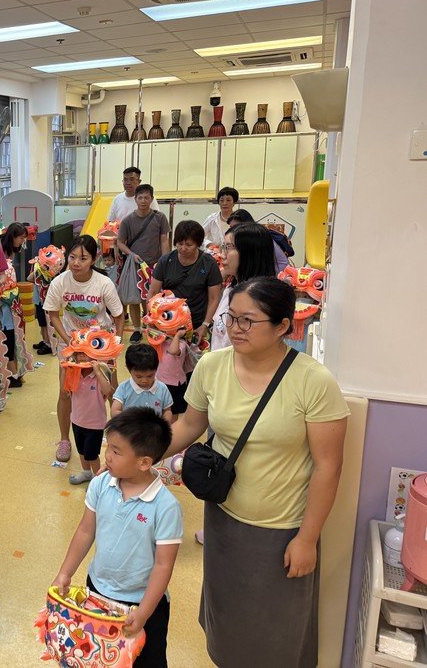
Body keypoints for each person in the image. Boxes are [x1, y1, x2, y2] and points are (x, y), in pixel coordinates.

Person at [166, 277, 349, 667]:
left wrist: (307, 538)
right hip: (224, 518)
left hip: (282, 530)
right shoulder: (212, 366)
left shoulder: (313, 381)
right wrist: (140, 454)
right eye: (231, 317)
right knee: (227, 618)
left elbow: (328, 467)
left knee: (278, 631)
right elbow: (189, 425)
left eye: (248, 320)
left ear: (283, 326)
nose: (235, 328)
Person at [53, 408, 182, 668]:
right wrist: (65, 572)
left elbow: (163, 565)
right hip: (98, 591)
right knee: (97, 656)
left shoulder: (166, 506)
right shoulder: (101, 484)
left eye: (116, 451)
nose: (107, 456)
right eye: (108, 446)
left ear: (144, 462)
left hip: (142, 602)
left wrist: (144, 612)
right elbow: (85, 531)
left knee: (146, 661)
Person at [44, 236, 124, 463]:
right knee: (66, 391)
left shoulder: (103, 283)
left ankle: (119, 437)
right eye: (72, 257)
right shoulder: (60, 282)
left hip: (101, 347)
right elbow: (53, 314)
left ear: (93, 259)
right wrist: (69, 340)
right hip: (72, 346)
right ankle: (64, 440)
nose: (76, 263)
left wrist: (115, 345)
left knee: (111, 391)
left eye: (83, 258)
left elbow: (118, 316)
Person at [148, 220, 223, 346]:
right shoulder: (165, 261)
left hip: (196, 323)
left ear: (198, 244)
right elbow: (153, 292)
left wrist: (205, 325)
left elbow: (214, 298)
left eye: (189, 245)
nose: (183, 248)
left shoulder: (209, 263)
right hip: (167, 321)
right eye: (180, 243)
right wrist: (152, 320)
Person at [117, 184, 170, 343]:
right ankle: (137, 329)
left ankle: (153, 326)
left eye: (147, 197)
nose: (143, 201)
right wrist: (131, 254)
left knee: (154, 298)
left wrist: (165, 261)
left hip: (155, 266)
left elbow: (164, 240)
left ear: (152, 199)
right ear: (135, 199)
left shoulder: (160, 218)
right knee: (134, 299)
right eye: (140, 197)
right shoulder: (128, 220)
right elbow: (120, 243)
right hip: (135, 266)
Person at [211, 222, 277, 350]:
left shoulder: (260, 301)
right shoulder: (231, 288)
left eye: (228, 247)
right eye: (223, 247)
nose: (221, 255)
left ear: (249, 252)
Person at [0, 222, 33, 390]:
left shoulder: (10, 249)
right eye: (21, 238)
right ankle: (10, 373)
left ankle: (13, 371)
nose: (22, 241)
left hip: (11, 298)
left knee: (15, 333)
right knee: (7, 334)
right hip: (1, 300)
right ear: (13, 236)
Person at [67, 360, 115, 485]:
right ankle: (86, 472)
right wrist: (65, 369)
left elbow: (108, 391)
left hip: (95, 424)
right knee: (81, 451)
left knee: (92, 454)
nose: (82, 356)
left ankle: (97, 480)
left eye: (85, 354)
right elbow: (65, 389)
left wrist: (97, 371)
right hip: (77, 420)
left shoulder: (99, 375)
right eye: (79, 353)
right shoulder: (75, 373)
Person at [113, 344, 173, 421]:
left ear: (156, 369)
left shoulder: (162, 388)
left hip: (154, 428)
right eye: (139, 376)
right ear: (128, 369)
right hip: (131, 427)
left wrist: (164, 424)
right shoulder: (124, 388)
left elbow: (167, 411)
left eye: (150, 376)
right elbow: (114, 411)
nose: (144, 380)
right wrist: (132, 418)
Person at [227, 209, 292, 273]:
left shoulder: (259, 237)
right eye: (231, 228)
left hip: (280, 273)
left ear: (246, 225)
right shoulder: (247, 238)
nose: (233, 231)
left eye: (236, 227)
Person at [157, 329, 188, 419]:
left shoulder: (181, 343)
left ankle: (172, 427)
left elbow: (173, 351)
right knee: (160, 409)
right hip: (160, 381)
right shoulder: (161, 340)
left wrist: (177, 335)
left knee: (174, 411)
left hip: (175, 384)